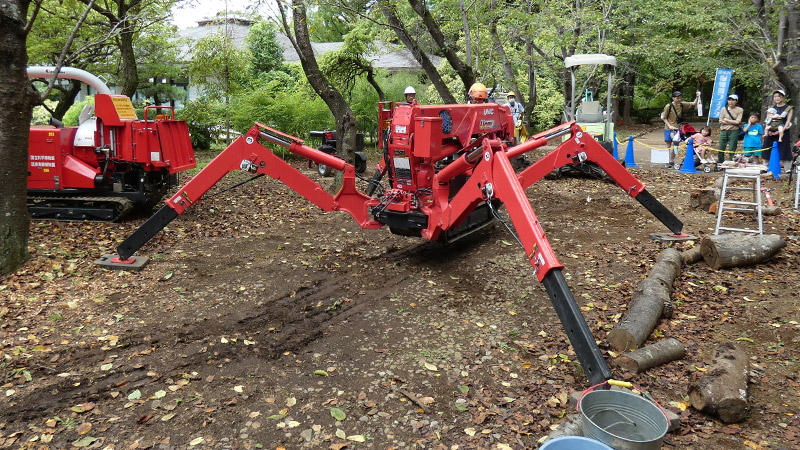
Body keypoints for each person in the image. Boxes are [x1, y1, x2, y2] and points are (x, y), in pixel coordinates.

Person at [661, 90, 701, 168]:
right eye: (677, 98)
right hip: (668, 128)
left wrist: (697, 96)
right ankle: (666, 161)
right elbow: (664, 117)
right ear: (673, 98)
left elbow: (693, 104)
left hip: (678, 128)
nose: (679, 99)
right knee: (668, 144)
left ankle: (671, 160)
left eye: (680, 98)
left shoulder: (682, 105)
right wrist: (669, 126)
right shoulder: (668, 106)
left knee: (676, 144)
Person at [764, 89, 794, 173]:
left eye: (779, 96)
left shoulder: (788, 108)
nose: (777, 98)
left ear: (783, 97)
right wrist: (768, 129)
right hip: (771, 128)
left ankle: (787, 168)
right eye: (775, 97)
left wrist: (781, 130)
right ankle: (765, 166)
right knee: (767, 145)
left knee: (784, 147)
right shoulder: (771, 108)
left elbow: (788, 121)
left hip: (782, 129)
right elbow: (767, 119)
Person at [717, 94, 744, 164]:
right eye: (729, 100)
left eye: (733, 100)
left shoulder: (740, 110)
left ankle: (731, 163)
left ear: (736, 101)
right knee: (721, 148)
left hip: (734, 131)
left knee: (732, 148)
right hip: (724, 130)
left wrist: (727, 120)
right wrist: (732, 122)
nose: (731, 102)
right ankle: (720, 162)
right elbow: (721, 121)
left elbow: (738, 121)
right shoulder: (724, 109)